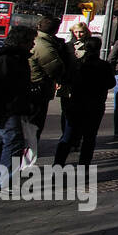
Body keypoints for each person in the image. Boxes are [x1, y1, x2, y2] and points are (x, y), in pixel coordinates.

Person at [52, 36, 114, 170]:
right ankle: (84, 166)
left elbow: (67, 80)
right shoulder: (104, 66)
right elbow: (111, 83)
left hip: (76, 104)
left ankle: (58, 164)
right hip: (95, 105)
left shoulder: (78, 65)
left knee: (68, 136)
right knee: (89, 137)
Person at [26, 15, 75, 164]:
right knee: (33, 125)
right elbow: (55, 68)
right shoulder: (44, 45)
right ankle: (27, 155)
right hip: (38, 88)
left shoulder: (40, 41)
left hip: (33, 87)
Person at [0, 26, 36, 187]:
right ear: (22, 42)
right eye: (31, 41)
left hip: (9, 107)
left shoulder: (16, 57)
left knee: (0, 141)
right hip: (7, 108)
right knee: (14, 143)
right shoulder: (8, 59)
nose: (33, 45)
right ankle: (3, 182)